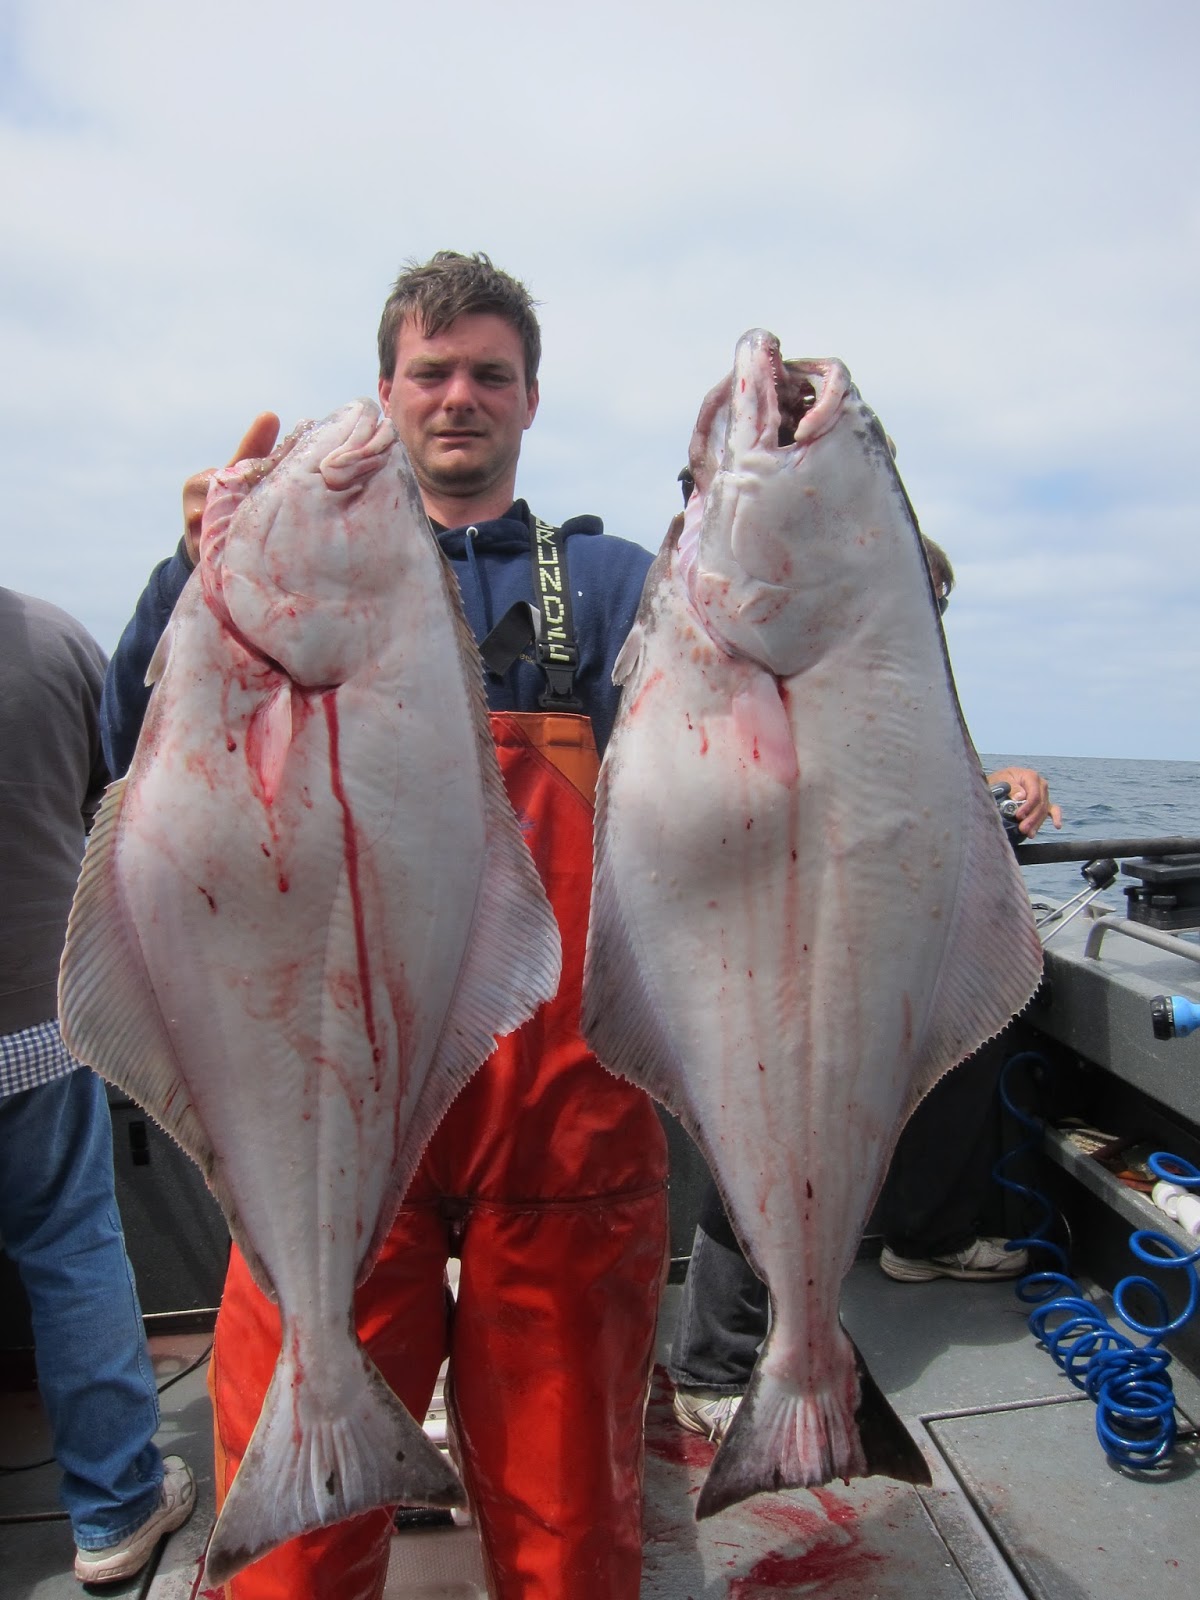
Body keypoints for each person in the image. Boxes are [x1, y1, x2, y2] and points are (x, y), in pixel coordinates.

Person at [99, 251, 669, 1600]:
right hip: (325, 1128)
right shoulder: (249, 576)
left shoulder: (609, 587)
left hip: (567, 1124)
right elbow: (137, 755)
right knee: (289, 1555)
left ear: (530, 399)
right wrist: (189, 578)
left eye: (489, 373)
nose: (457, 395)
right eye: (432, 371)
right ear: (388, 389)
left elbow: (756, 784)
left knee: (574, 1524)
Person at [668, 525, 1064, 1443]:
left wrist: (1003, 778)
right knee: (759, 1127)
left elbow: (914, 778)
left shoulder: (913, 682)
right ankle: (714, 1362)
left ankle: (929, 1234)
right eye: (916, 593)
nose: (927, 614)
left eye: (938, 602)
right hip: (772, 947)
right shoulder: (791, 662)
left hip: (882, 946)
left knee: (970, 1051)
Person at [0, 585, 195, 1585]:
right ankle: (115, 1506)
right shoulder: (51, 641)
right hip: (30, 1025)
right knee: (68, 1249)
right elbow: (113, 788)